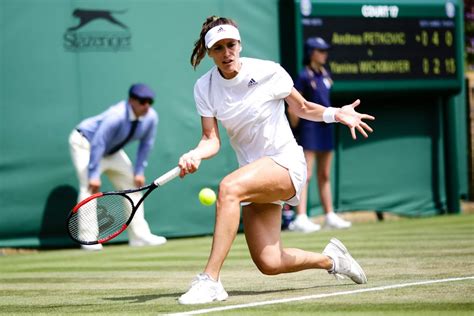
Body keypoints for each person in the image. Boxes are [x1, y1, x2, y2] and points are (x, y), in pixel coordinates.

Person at [176, 16, 374, 305]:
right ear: (210, 53)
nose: (226, 52)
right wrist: (195, 154)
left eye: (231, 44)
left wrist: (335, 113)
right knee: (270, 262)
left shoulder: (268, 72)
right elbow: (211, 140)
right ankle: (332, 260)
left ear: (239, 44)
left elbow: (303, 107)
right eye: (218, 48)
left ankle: (210, 281)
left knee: (229, 188)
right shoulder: (204, 88)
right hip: (255, 175)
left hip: (285, 163)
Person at [69, 83, 167, 251]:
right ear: (131, 101)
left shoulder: (151, 117)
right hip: (86, 143)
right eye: (142, 101)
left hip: (112, 150)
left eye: (150, 102)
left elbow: (146, 144)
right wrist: (93, 174)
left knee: (133, 186)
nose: (146, 106)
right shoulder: (116, 116)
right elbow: (98, 142)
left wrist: (139, 171)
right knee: (89, 188)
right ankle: (88, 240)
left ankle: (139, 236)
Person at [287, 37, 351, 233]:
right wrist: (297, 129)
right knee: (305, 174)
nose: (324, 54)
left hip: (326, 127)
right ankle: (301, 217)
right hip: (308, 129)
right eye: (320, 50)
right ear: (311, 53)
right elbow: (293, 108)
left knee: (324, 174)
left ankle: (329, 215)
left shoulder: (325, 74)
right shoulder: (303, 76)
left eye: (325, 51)